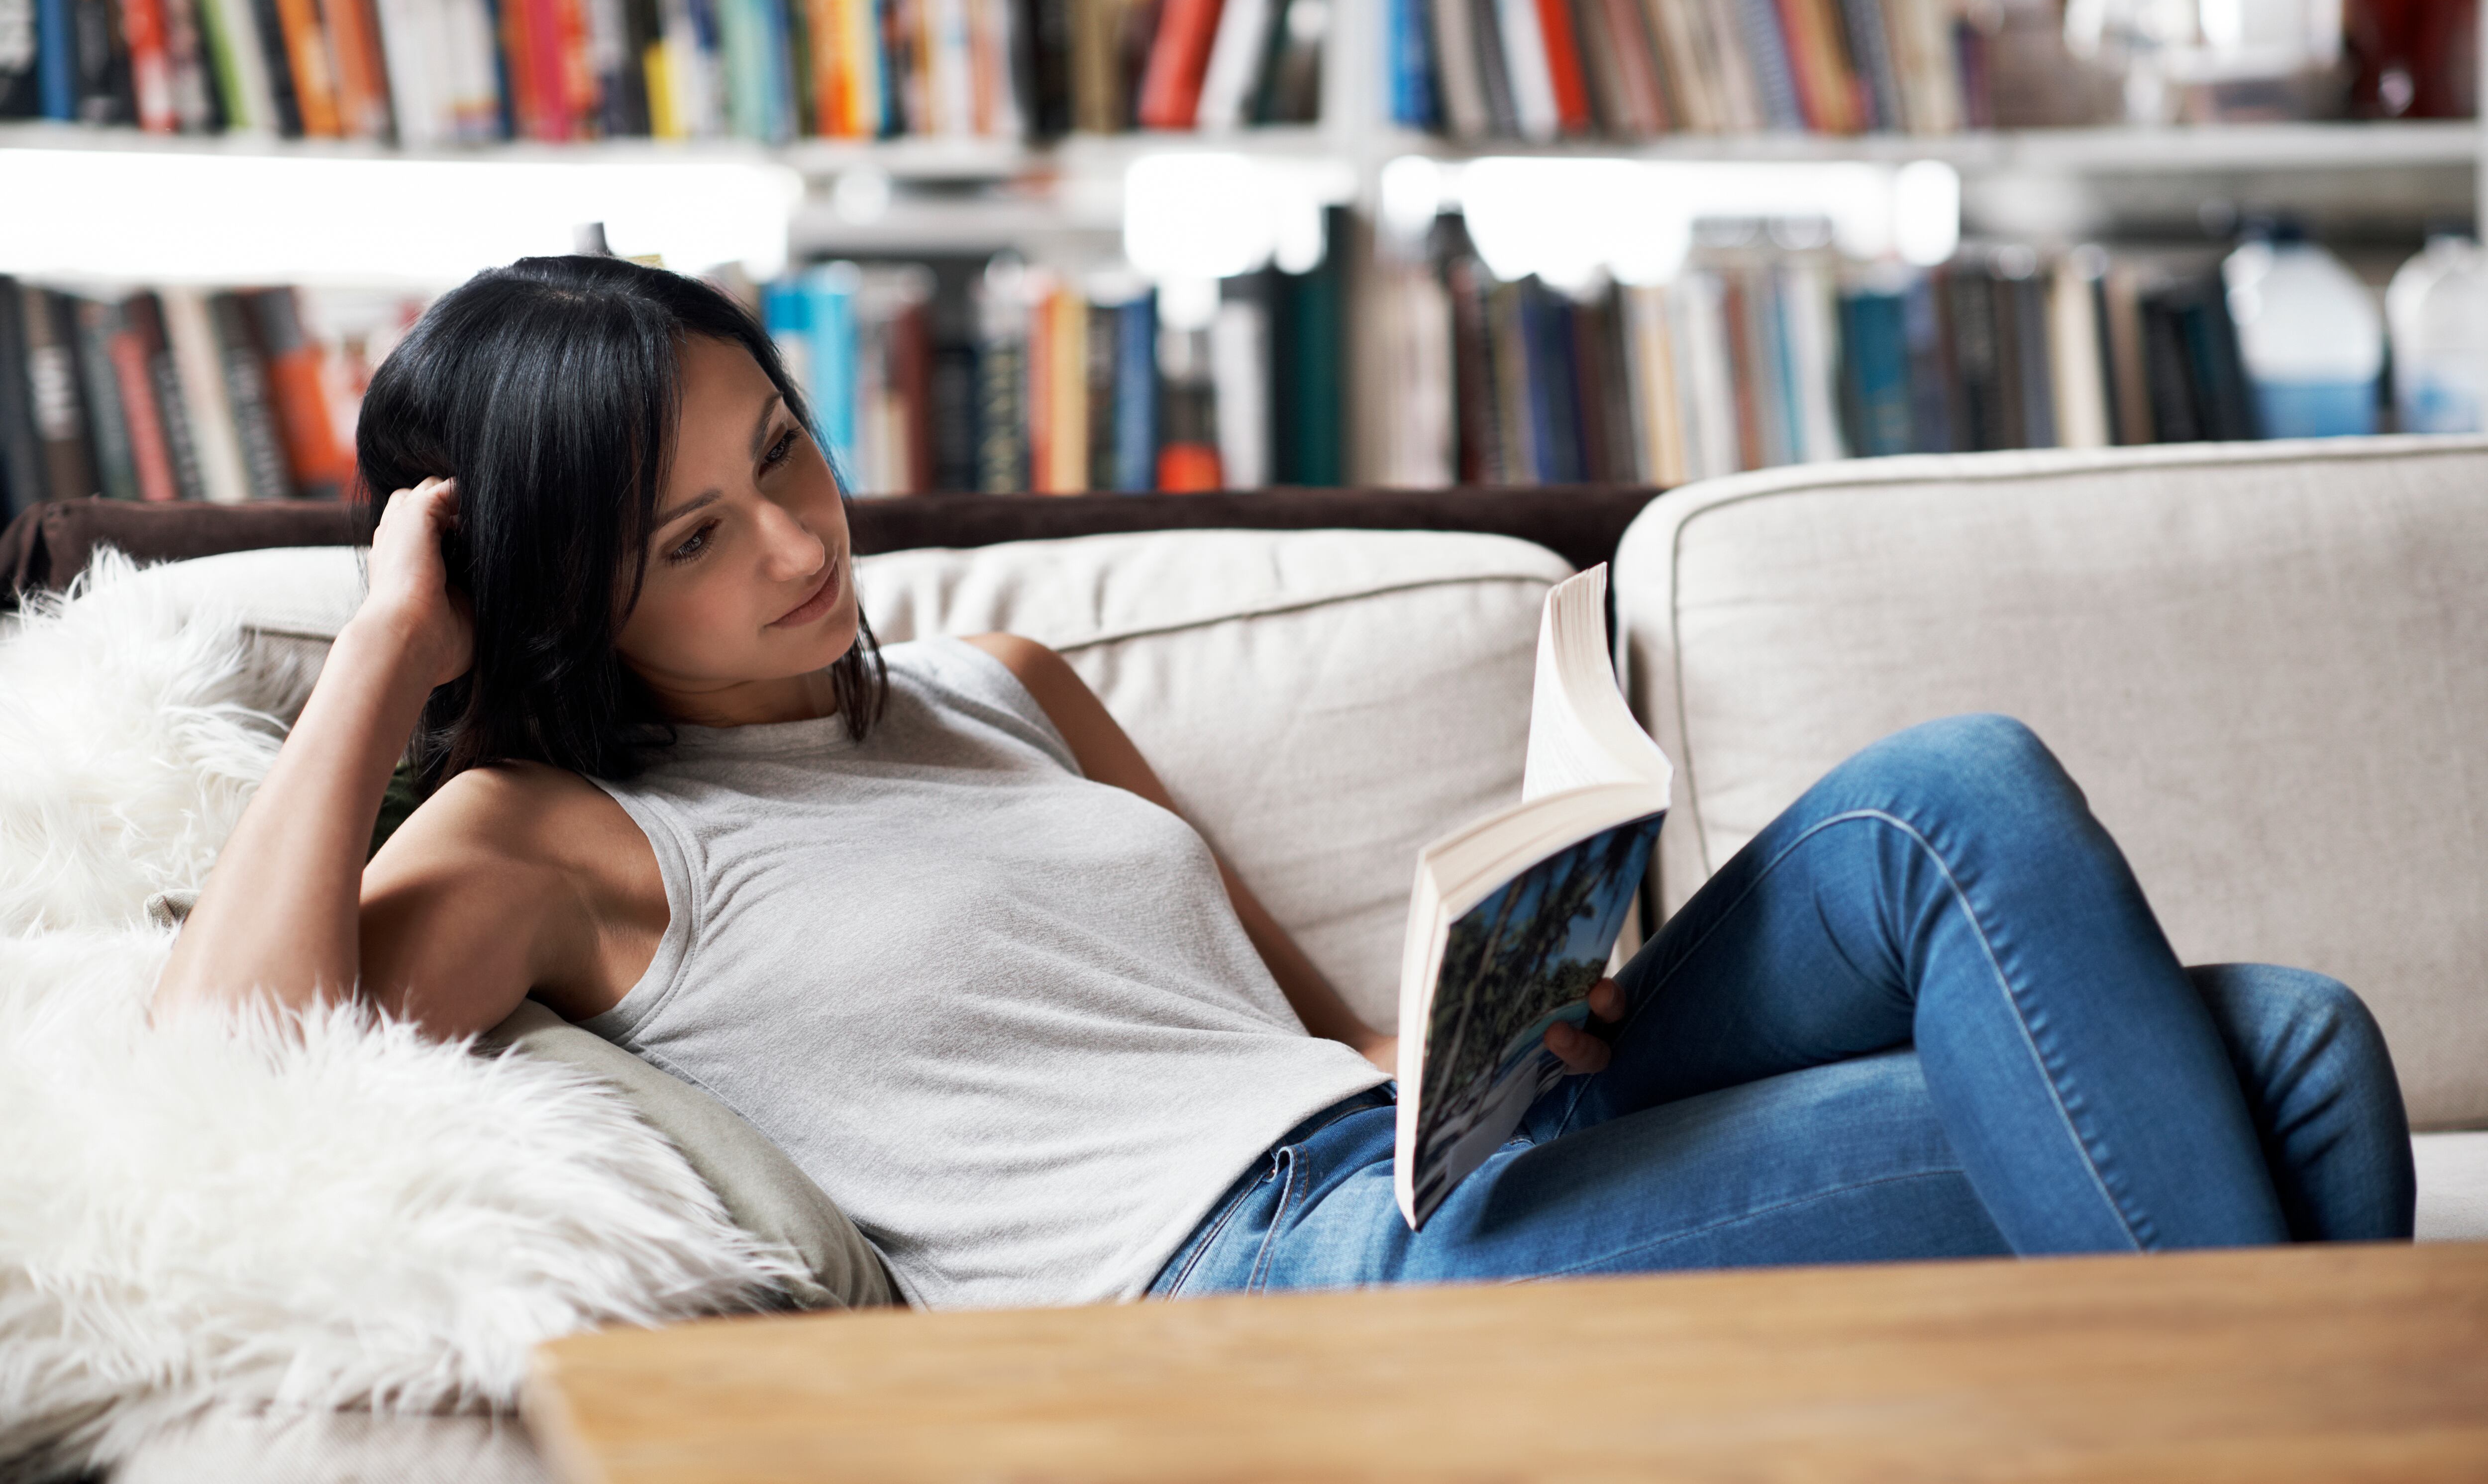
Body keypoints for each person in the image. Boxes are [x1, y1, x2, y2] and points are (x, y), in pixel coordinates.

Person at [153, 256, 2417, 1310]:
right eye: (689, 541)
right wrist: (391, 644)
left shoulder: (1002, 686)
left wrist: (1508, 1014)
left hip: (1430, 1155)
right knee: (2286, 1072)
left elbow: (1316, 1038)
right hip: (1275, 1280)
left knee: (1968, 804)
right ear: (557, 596)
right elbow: (217, 1083)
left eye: (785, 453)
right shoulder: (549, 842)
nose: (800, 543)